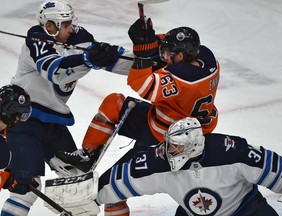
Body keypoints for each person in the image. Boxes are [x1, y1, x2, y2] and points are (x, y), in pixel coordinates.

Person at [57, 18, 220, 215]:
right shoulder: (206, 57)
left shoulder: (186, 76)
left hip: (167, 141)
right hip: (162, 119)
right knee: (114, 103)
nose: (165, 57)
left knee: (112, 191)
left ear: (182, 56)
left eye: (170, 55)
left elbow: (142, 85)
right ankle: (87, 156)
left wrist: (142, 54)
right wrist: (148, 41)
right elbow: (163, 47)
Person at [0, 1, 133, 215]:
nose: (71, 28)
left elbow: (111, 60)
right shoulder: (36, 38)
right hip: (22, 119)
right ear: (50, 26)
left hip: (54, 123)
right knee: (27, 189)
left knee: (75, 183)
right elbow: (54, 71)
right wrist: (86, 59)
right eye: (66, 24)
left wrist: (152, 61)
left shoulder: (78, 37)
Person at [48, 117, 282, 215]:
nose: (167, 151)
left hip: (246, 210)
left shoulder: (232, 152)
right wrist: (85, 199)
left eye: (175, 148)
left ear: (192, 147)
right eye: (168, 145)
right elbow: (119, 181)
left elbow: (277, 170)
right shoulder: (157, 163)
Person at [0, 84, 36, 194]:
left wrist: (9, 176)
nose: (19, 119)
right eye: (20, 114)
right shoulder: (2, 151)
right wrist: (7, 179)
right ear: (11, 110)